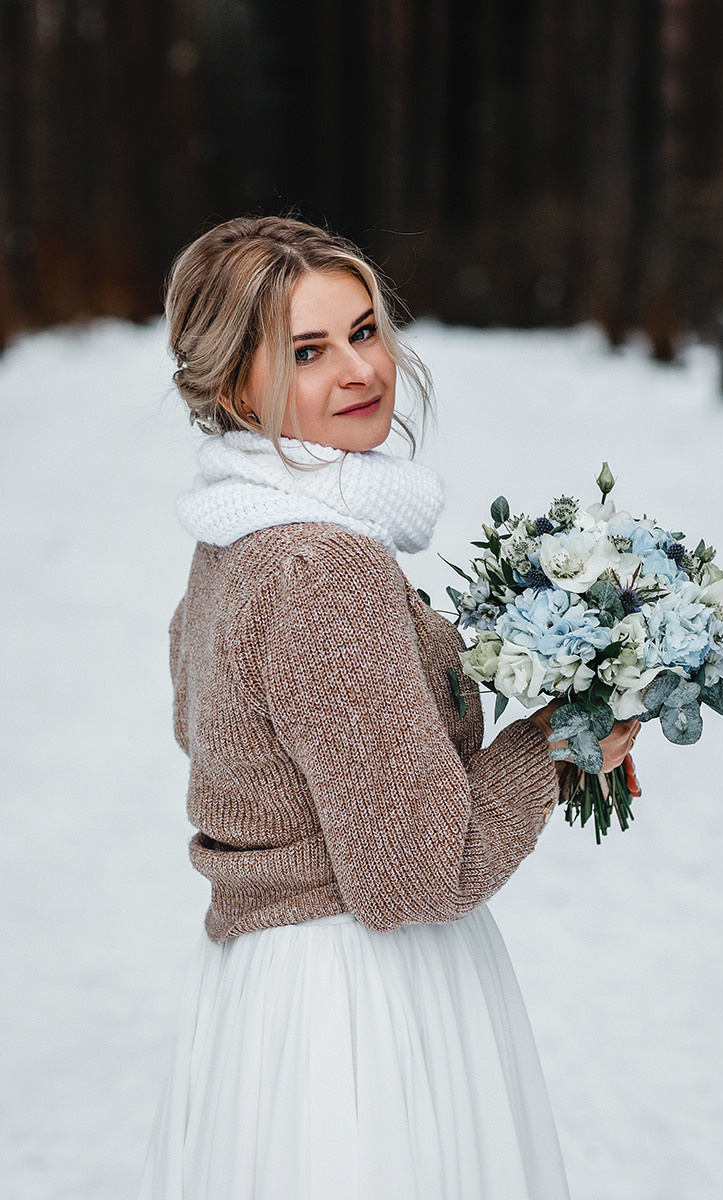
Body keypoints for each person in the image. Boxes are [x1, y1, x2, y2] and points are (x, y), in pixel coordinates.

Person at [137, 214, 639, 1200]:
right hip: (357, 1013)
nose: (360, 370)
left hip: (266, 1002)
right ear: (234, 387)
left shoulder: (236, 540)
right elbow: (413, 878)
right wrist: (553, 743)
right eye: (307, 352)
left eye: (364, 331)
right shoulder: (323, 566)